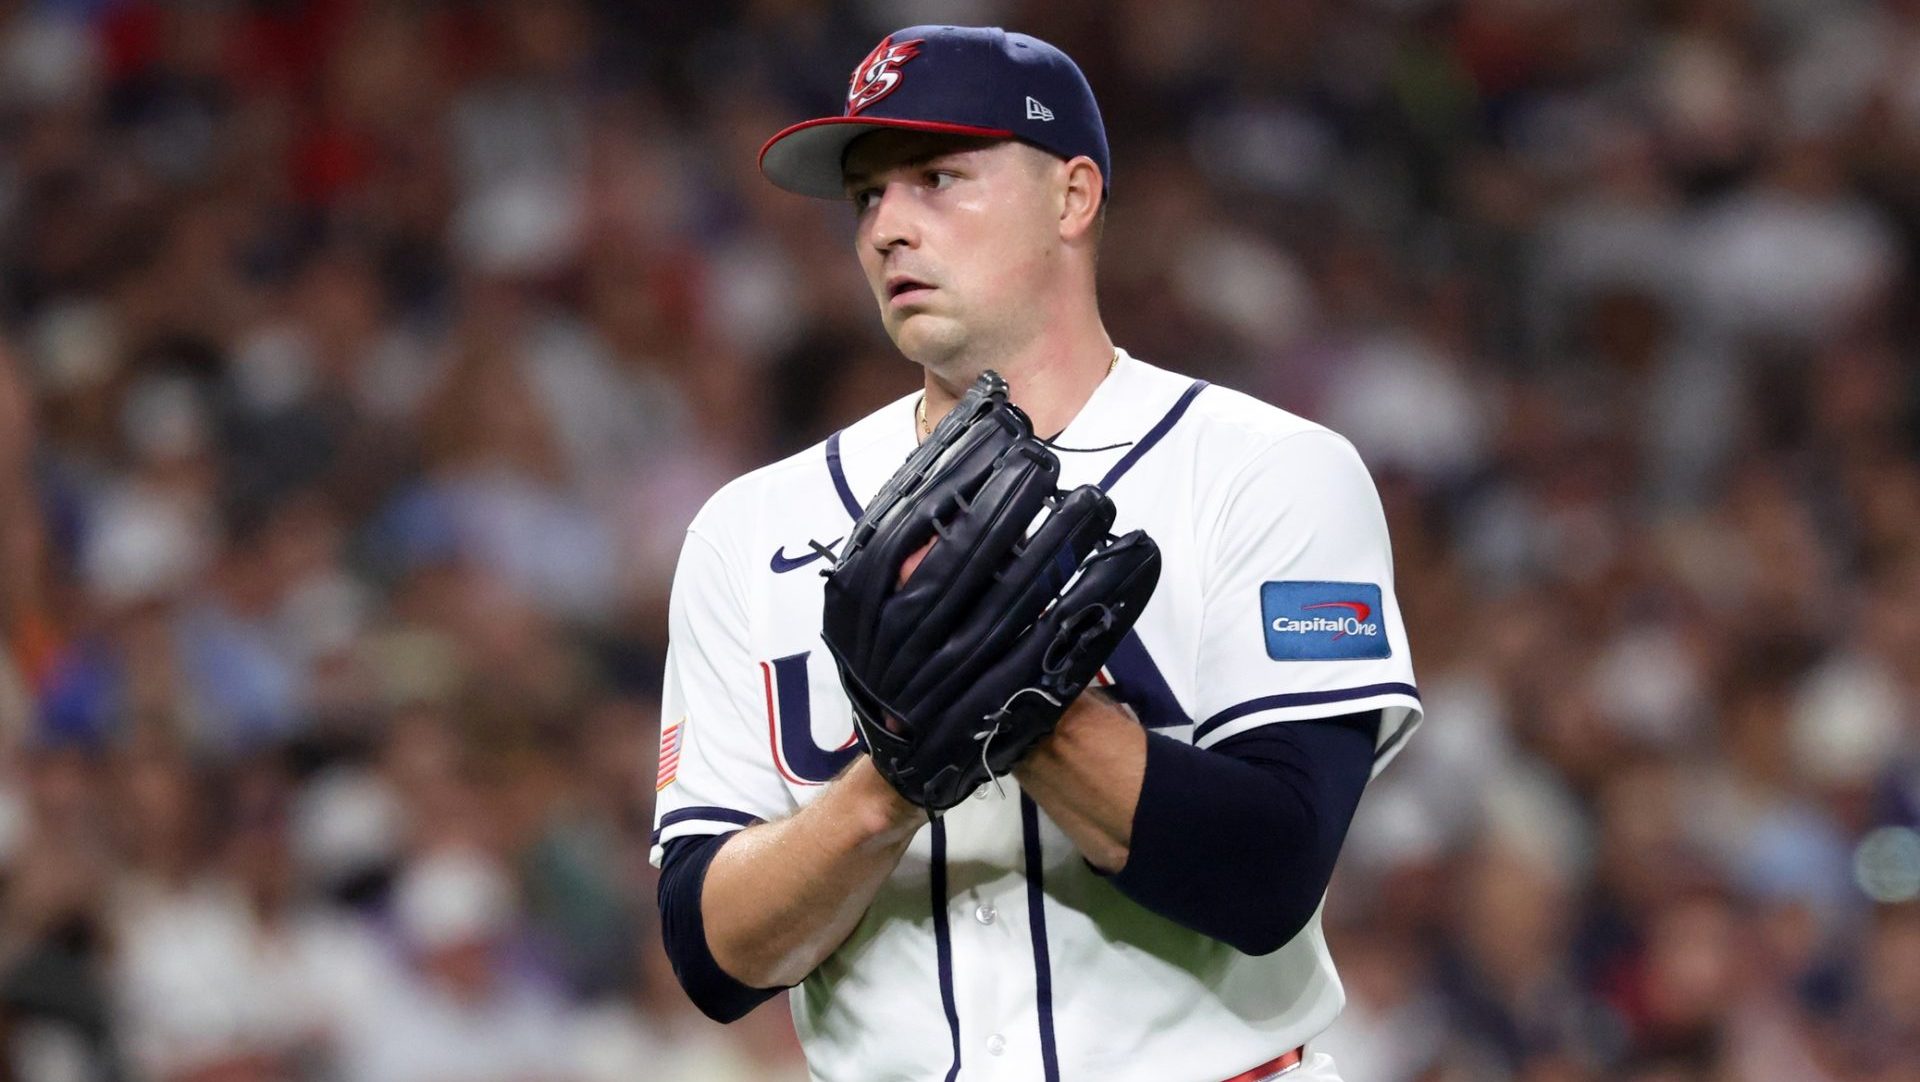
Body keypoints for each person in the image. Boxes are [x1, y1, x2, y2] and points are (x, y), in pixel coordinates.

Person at [651, 25, 1422, 1082]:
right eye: (867, 196)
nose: (886, 229)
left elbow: (1271, 872)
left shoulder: (1269, 471)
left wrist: (1020, 703)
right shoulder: (748, 529)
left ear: (1072, 196)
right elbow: (712, 957)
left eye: (936, 178)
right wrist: (885, 787)